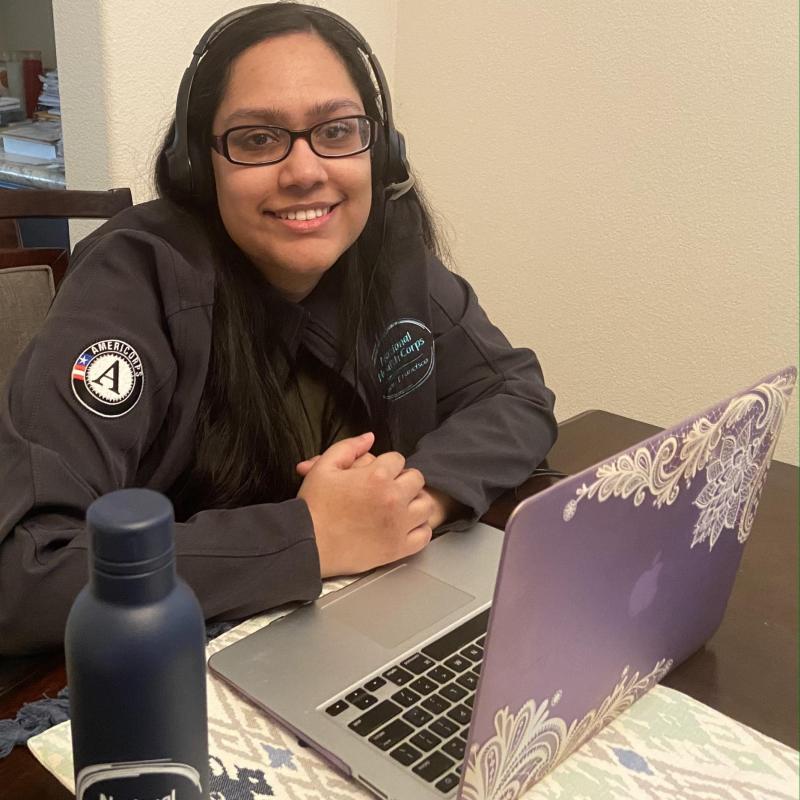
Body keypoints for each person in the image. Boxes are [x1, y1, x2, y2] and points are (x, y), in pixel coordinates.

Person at [0, 3, 556, 654]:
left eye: (337, 131)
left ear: (379, 148)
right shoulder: (134, 280)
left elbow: (515, 394)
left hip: (354, 629)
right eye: (258, 138)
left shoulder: (386, 252)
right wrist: (308, 538)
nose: (304, 172)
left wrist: (415, 500)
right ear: (198, 163)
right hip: (168, 666)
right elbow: (26, 570)